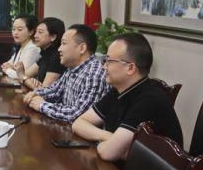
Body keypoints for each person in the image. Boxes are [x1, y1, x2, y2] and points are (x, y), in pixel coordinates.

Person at [72, 33, 182, 161]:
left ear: (130, 68)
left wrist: (107, 143)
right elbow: (78, 123)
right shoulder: (119, 89)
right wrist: (109, 137)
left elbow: (108, 153)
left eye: (109, 61)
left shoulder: (149, 100)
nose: (103, 66)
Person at [23, 24, 109, 123]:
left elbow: (78, 115)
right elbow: (55, 91)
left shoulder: (94, 75)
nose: (59, 49)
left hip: (80, 137)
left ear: (82, 48)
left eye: (63, 44)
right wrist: (35, 94)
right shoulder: (72, 68)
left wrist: (42, 105)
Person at [13, 17, 66, 89]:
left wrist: (24, 77)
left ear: (53, 37)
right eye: (36, 32)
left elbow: (45, 90)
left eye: (40, 32)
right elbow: (25, 75)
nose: (35, 36)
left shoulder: (57, 56)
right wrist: (25, 77)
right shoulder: (45, 53)